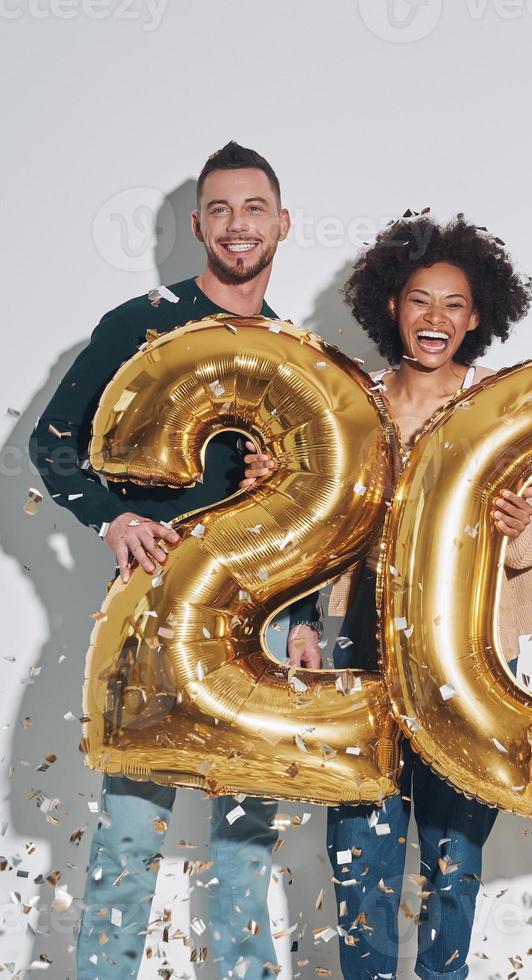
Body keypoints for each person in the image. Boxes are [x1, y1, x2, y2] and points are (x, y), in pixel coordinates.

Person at [29, 141, 311, 979]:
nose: (238, 225)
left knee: (245, 843)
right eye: (220, 209)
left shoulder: (296, 352)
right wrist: (111, 517)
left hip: (253, 627)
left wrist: (296, 621)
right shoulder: (139, 322)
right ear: (197, 225)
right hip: (150, 621)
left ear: (283, 224)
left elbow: (305, 515)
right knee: (126, 834)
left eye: (253, 208)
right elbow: (51, 443)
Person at [242, 214, 532, 979]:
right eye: (419, 301)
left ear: (477, 317)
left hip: (468, 656)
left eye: (452, 305)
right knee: (360, 850)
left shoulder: (502, 405)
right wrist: (303, 621)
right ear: (391, 306)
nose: (434, 319)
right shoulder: (353, 402)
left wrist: (516, 524)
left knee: (454, 851)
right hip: (359, 644)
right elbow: (317, 531)